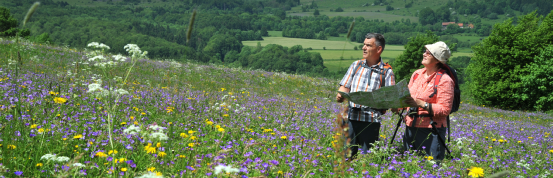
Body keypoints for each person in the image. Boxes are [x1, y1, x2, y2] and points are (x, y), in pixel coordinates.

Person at [336, 33, 395, 160]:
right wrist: (341, 94)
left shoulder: (386, 71)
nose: (363, 47)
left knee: (367, 158)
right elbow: (344, 86)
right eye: (364, 44)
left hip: (371, 121)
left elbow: (390, 98)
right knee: (347, 155)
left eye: (368, 45)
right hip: (350, 117)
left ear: (378, 49)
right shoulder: (356, 65)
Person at [400, 41, 454, 161]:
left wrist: (420, 103)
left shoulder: (445, 80)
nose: (424, 54)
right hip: (410, 127)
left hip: (431, 130)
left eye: (429, 53)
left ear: (437, 60)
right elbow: (407, 97)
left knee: (430, 168)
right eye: (425, 51)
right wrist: (397, 105)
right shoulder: (416, 74)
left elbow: (445, 110)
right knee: (410, 166)